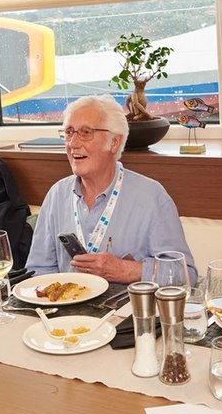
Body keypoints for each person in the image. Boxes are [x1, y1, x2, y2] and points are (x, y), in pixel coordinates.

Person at [25, 95, 197, 284]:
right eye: (69, 132)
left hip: (129, 311)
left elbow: (186, 274)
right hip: (67, 311)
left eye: (85, 132)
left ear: (114, 142)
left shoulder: (151, 198)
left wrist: (129, 270)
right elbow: (38, 271)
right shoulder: (57, 195)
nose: (73, 143)